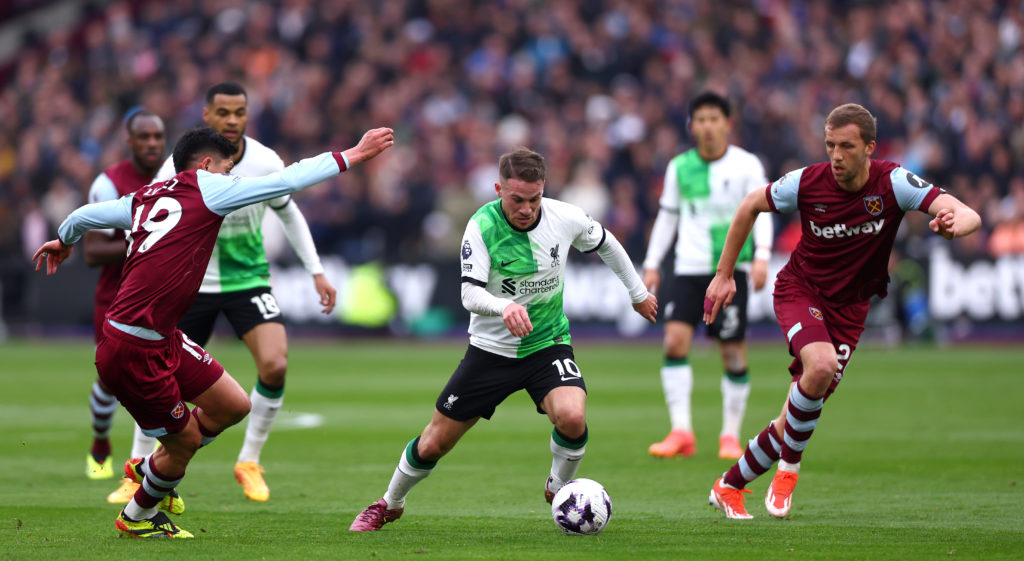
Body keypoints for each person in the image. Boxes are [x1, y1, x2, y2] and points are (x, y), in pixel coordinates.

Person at [33, 126, 394, 538]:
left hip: (161, 336)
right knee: (183, 445)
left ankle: (153, 468)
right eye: (228, 170)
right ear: (206, 165)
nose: (232, 178)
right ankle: (138, 515)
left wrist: (63, 240)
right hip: (132, 347)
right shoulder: (210, 189)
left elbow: (83, 215)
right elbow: (288, 179)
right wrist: (354, 155)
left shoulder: (144, 197)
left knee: (234, 406)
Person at [349, 147, 658, 532]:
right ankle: (389, 503)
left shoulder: (566, 217)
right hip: (490, 351)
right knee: (433, 444)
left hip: (547, 343)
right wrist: (503, 307)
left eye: (534, 199)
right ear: (499, 190)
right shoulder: (482, 227)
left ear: (543, 189)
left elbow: (607, 243)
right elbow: (469, 294)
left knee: (573, 417)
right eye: (517, 199)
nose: (527, 208)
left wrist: (638, 293)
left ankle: (558, 487)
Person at [704, 103, 981, 519]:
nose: (836, 155)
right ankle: (788, 473)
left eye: (846, 147)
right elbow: (748, 206)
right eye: (830, 144)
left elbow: (969, 213)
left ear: (869, 148)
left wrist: (958, 223)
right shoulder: (807, 182)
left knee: (794, 415)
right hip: (801, 290)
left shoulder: (895, 184)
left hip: (850, 309)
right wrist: (725, 275)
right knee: (819, 367)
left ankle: (729, 486)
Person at [150, 82, 337, 502]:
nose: (232, 120)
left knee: (274, 365)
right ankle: (144, 466)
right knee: (162, 381)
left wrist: (316, 271)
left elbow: (289, 213)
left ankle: (249, 460)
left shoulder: (266, 161)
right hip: (192, 283)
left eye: (239, 112)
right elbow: (151, 216)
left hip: (248, 279)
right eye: (224, 113)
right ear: (207, 115)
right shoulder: (179, 163)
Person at [642, 92, 773, 461]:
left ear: (727, 123)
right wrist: (653, 262)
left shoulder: (746, 165)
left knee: (732, 352)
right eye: (701, 119)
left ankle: (729, 436)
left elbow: (763, 211)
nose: (708, 126)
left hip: (731, 271)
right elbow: (668, 217)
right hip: (688, 267)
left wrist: (762, 257)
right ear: (692, 126)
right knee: (674, 342)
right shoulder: (679, 167)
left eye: (715, 119)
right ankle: (681, 431)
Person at [85, 109, 167, 500]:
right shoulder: (109, 183)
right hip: (115, 299)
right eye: (144, 137)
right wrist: (147, 240)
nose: (152, 143)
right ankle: (100, 442)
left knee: (157, 380)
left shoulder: (173, 178)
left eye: (158, 137)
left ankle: (149, 472)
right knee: (110, 380)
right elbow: (93, 250)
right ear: (129, 140)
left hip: (160, 299)